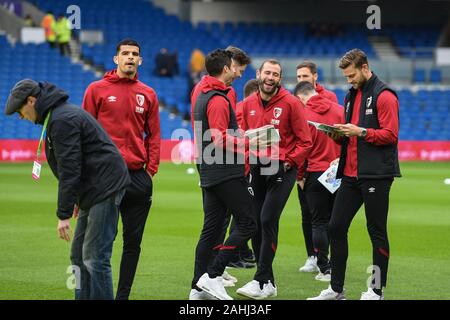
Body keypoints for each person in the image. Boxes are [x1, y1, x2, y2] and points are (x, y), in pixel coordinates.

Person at [4, 79, 130, 300]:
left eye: (20, 110)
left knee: (95, 257)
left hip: (105, 187)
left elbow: (70, 169)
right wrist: (76, 199)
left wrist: (63, 214)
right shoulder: (57, 117)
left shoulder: (63, 120)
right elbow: (73, 166)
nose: (20, 116)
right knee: (78, 256)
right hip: (92, 189)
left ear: (32, 101)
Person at [308, 49, 401, 300]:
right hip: (349, 174)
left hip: (376, 175)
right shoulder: (350, 95)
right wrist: (338, 134)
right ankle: (336, 290)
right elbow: (353, 136)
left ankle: (376, 290)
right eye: (346, 76)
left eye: (351, 75)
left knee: (376, 231)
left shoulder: (385, 96)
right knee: (336, 227)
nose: (348, 80)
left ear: (365, 67)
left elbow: (391, 135)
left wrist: (359, 132)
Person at [83, 38, 161, 300]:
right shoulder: (96, 90)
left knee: (133, 244)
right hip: (105, 179)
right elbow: (85, 135)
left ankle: (122, 296)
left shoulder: (148, 93)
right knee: (101, 245)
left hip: (138, 177)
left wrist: (150, 170)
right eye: (125, 53)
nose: (130, 57)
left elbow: (154, 135)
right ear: (116, 59)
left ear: (139, 60)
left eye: (135, 54)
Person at [236, 59, 312, 300]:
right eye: (267, 72)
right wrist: (248, 162)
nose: (270, 77)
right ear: (258, 74)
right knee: (256, 222)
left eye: (275, 74)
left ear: (280, 78)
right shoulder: (246, 104)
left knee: (268, 218)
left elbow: (305, 142)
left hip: (282, 168)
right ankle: (267, 282)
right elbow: (243, 140)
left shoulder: (291, 103)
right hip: (258, 167)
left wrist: (289, 162)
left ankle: (260, 280)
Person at [189, 49, 258, 300]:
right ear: (226, 68)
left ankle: (197, 289)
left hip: (210, 170)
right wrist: (249, 143)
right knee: (249, 223)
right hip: (225, 171)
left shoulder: (203, 93)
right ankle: (213, 275)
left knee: (211, 230)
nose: (238, 71)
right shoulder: (218, 97)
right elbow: (218, 137)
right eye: (234, 66)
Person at [293, 81, 344, 282]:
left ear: (301, 98)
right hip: (338, 171)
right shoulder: (340, 110)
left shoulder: (303, 115)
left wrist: (299, 177)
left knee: (319, 222)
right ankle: (338, 266)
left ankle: (324, 268)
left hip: (315, 172)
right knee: (337, 222)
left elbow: (303, 149)